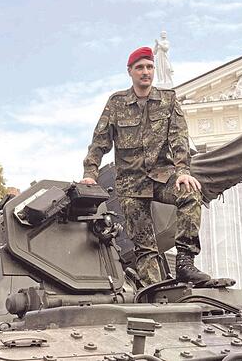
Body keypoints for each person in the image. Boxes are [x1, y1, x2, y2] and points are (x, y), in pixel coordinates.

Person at [81, 46, 211, 286]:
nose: (145, 72)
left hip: (162, 177)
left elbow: (179, 139)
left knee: (191, 193)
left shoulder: (168, 100)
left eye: (149, 67)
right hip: (131, 184)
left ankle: (185, 262)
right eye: (140, 67)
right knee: (145, 245)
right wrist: (90, 174)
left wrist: (182, 171)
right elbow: (99, 142)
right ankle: (155, 290)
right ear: (130, 71)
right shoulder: (117, 103)